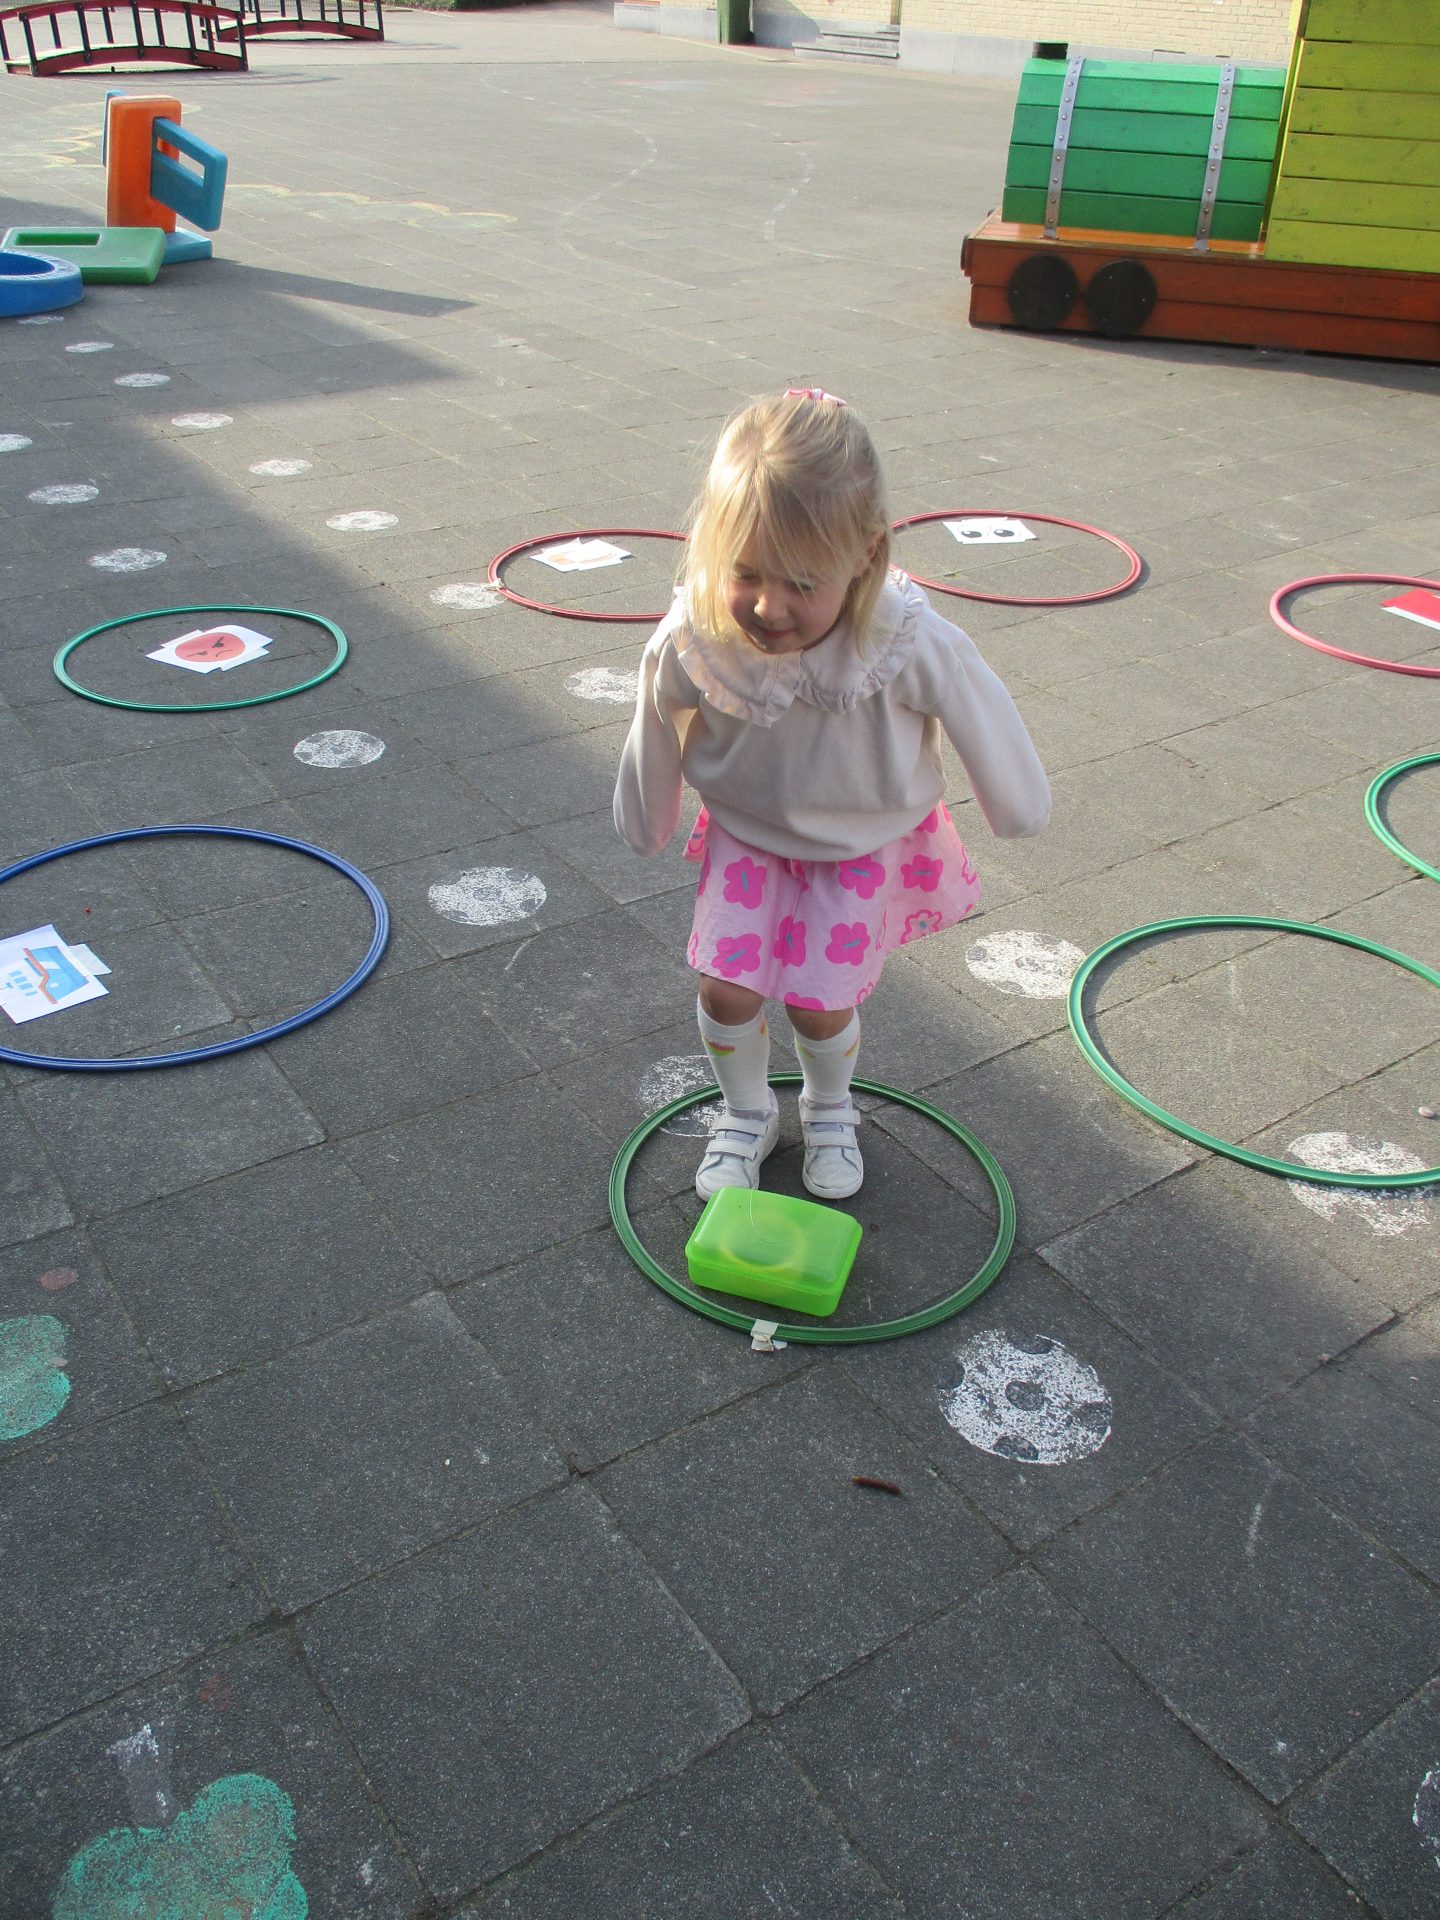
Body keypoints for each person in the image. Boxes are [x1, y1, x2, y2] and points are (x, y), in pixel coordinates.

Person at [614, 388, 1050, 1203]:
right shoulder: (700, 633)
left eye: (801, 582)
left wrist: (1016, 803)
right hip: (748, 835)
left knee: (820, 1003)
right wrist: (646, 818)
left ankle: (827, 1105)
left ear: (865, 556)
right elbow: (655, 711)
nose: (767, 607)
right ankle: (747, 1112)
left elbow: (976, 702)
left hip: (855, 849)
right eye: (744, 572)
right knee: (724, 987)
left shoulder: (901, 639)